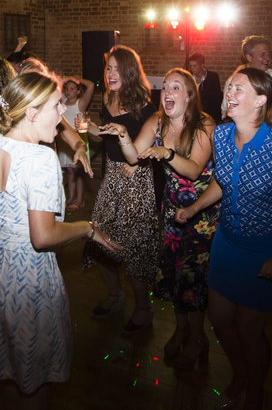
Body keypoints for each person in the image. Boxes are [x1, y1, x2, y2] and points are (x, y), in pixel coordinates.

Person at [0, 71, 120, 409]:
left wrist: (4, 210)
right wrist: (87, 228)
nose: (62, 116)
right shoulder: (40, 159)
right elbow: (42, 237)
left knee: (4, 361)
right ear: (30, 112)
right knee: (34, 369)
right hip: (25, 273)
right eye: (57, 106)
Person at [176, 68, 272, 410]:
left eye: (239, 89)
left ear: (262, 100)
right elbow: (223, 182)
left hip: (268, 247)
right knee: (220, 319)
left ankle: (255, 390)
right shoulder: (221, 136)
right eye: (229, 87)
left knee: (250, 329)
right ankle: (240, 372)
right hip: (228, 242)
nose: (229, 93)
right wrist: (194, 208)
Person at [105, 68, 216, 369]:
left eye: (176, 88)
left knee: (194, 277)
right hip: (170, 210)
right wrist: (124, 136)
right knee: (175, 274)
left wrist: (165, 153)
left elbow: (193, 170)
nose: (167, 93)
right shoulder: (156, 121)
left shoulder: (204, 125)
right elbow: (133, 156)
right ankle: (181, 329)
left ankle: (197, 337)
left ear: (190, 95)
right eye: (165, 87)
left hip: (202, 214)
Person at [86, 45, 159, 334]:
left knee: (134, 248)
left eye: (116, 68)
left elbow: (150, 141)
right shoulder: (107, 97)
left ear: (129, 71)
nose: (110, 74)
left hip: (136, 179)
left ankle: (143, 309)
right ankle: (115, 296)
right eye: (107, 68)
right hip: (111, 178)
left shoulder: (145, 103)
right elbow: (106, 134)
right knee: (100, 239)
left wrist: (137, 164)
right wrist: (85, 127)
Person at [57, 76, 95, 211]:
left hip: (80, 141)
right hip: (65, 142)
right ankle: (71, 198)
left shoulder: (81, 103)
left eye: (72, 89)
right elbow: (55, 85)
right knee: (70, 171)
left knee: (78, 172)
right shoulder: (63, 102)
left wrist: (76, 79)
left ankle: (79, 201)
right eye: (66, 89)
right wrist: (65, 79)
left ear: (78, 91)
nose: (68, 91)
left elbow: (90, 85)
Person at [187, 53, 223, 123]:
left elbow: (215, 100)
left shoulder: (213, 77)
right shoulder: (189, 78)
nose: (192, 68)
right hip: (193, 115)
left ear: (202, 65)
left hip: (209, 116)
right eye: (190, 66)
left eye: (194, 66)